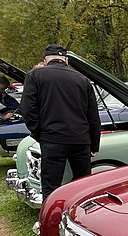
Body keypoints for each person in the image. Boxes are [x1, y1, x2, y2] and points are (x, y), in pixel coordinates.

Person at [20, 44, 101, 203]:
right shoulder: (82, 79)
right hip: (81, 139)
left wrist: (39, 133)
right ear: (66, 60)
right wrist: (94, 144)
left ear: (45, 60)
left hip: (52, 139)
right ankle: (81, 219)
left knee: (51, 186)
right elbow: (93, 115)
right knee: (83, 185)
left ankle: (51, 221)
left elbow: (28, 109)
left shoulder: (35, 76)